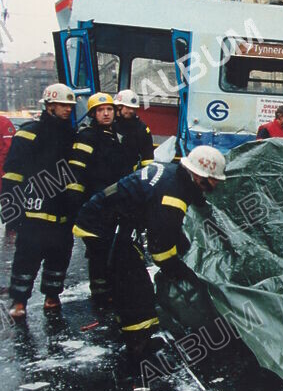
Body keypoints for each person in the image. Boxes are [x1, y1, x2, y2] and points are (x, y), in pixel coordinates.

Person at [73, 146, 228, 358]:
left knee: (127, 280)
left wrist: (182, 243)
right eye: (213, 180)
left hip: (108, 220)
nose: (216, 185)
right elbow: (160, 249)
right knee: (135, 289)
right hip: (103, 227)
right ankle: (138, 347)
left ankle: (130, 329)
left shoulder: (176, 175)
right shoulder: (172, 196)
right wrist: (179, 270)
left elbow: (176, 216)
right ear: (199, 175)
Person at [2, 83, 78, 319]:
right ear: (49, 105)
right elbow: (12, 175)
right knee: (26, 257)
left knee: (60, 255)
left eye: (70, 106)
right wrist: (11, 215)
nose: (67, 110)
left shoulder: (73, 136)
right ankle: (19, 301)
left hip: (62, 210)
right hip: (33, 211)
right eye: (62, 105)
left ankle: (52, 296)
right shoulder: (28, 133)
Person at [68, 92, 135, 310]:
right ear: (93, 114)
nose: (105, 114)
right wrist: (77, 203)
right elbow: (77, 170)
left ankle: (111, 288)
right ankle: (100, 293)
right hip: (95, 201)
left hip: (114, 202)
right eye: (100, 110)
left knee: (113, 247)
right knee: (98, 248)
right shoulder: (87, 136)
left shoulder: (115, 136)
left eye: (108, 110)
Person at [112, 90, 155, 170]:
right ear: (119, 106)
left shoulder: (142, 129)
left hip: (129, 175)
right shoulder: (108, 125)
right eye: (128, 107)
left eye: (134, 108)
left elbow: (148, 157)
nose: (131, 111)